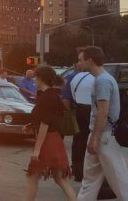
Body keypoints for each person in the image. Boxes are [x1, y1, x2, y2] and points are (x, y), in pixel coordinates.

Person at [77, 46, 128, 200]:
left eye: (80, 60)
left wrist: (94, 138)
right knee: (90, 181)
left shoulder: (103, 81)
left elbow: (103, 112)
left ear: (89, 60)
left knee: (120, 180)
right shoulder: (103, 79)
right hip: (102, 136)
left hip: (105, 137)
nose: (77, 63)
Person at [24, 66, 76, 201]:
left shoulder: (48, 97)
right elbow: (48, 119)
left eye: (36, 77)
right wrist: (30, 126)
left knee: (32, 177)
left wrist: (37, 150)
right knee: (60, 178)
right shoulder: (50, 95)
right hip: (55, 140)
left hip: (47, 141)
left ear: (41, 79)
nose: (34, 80)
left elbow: (45, 124)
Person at [61, 52, 95, 183]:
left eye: (81, 60)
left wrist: (70, 115)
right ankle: (89, 170)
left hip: (78, 110)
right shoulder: (97, 77)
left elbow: (66, 100)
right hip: (92, 110)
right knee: (90, 141)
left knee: (78, 142)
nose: (79, 63)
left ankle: (77, 170)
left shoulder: (71, 78)